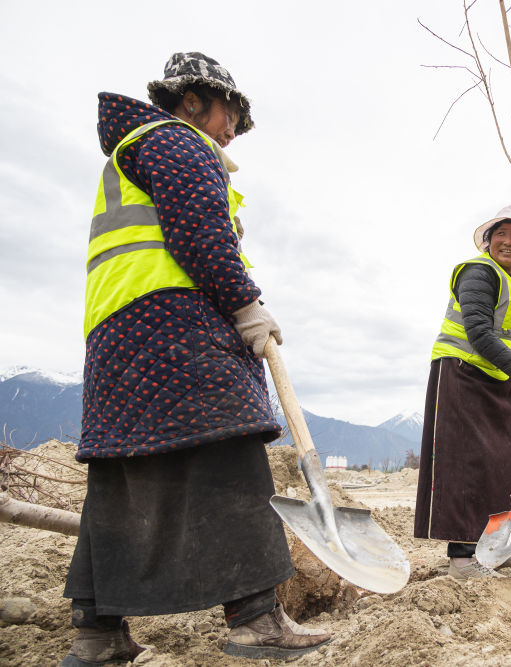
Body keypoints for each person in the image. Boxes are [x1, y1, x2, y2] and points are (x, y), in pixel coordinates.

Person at [62, 52, 332, 665]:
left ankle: (97, 634)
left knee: (122, 471)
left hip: (116, 334)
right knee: (231, 450)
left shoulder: (132, 151)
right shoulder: (177, 143)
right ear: (191, 101)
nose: (233, 126)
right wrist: (246, 303)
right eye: (228, 110)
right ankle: (257, 621)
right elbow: (200, 235)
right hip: (173, 326)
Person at [413, 205, 511, 579]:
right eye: (502, 233)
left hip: (497, 376)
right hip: (463, 371)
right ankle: (463, 559)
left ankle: (489, 546)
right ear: (488, 239)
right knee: (468, 461)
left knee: (505, 459)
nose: (509, 242)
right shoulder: (478, 272)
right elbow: (479, 332)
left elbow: (506, 330)